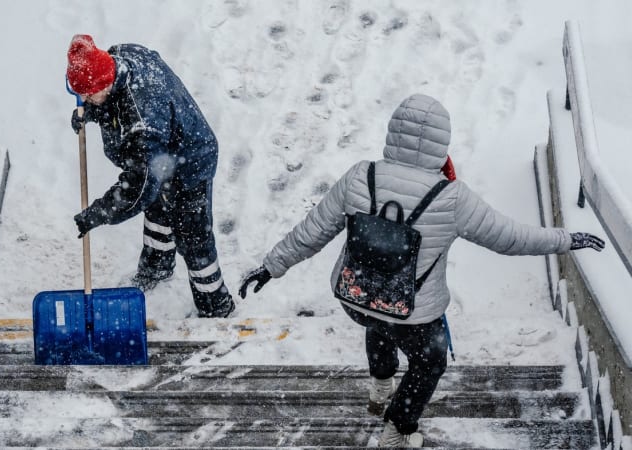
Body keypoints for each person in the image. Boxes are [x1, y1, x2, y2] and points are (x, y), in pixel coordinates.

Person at [238, 93, 605, 447]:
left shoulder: (360, 176)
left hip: (357, 295)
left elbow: (313, 229)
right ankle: (398, 428)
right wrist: (566, 239)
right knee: (429, 359)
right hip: (412, 310)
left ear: (393, 131)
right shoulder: (451, 198)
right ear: (441, 142)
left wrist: (271, 267)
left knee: (378, 317)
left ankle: (381, 384)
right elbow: (510, 237)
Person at [66, 34, 235, 318]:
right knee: (157, 214)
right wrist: (92, 113)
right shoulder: (118, 57)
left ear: (104, 82)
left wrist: (97, 213)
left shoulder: (143, 118)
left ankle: (215, 304)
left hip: (191, 159)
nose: (83, 100)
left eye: (87, 95)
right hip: (161, 155)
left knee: (193, 236)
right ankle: (156, 269)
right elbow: (112, 102)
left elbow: (138, 188)